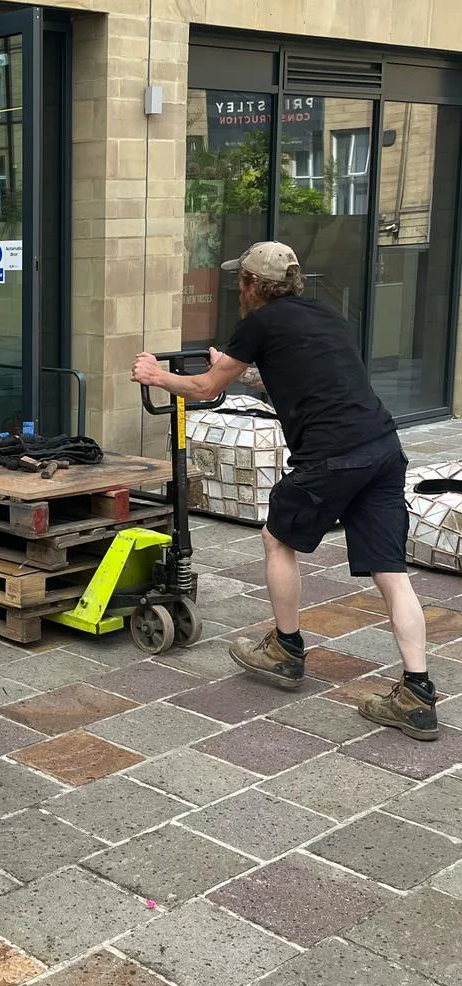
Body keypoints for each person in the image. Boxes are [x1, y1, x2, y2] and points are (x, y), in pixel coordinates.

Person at [131, 240, 437, 741]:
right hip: (381, 448)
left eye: (240, 282)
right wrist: (239, 369)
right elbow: (297, 377)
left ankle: (286, 649)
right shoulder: (324, 315)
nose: (239, 290)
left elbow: (207, 389)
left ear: (251, 285)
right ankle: (417, 694)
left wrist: (156, 375)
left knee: (278, 539)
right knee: (391, 571)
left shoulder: (259, 322)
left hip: (332, 456)